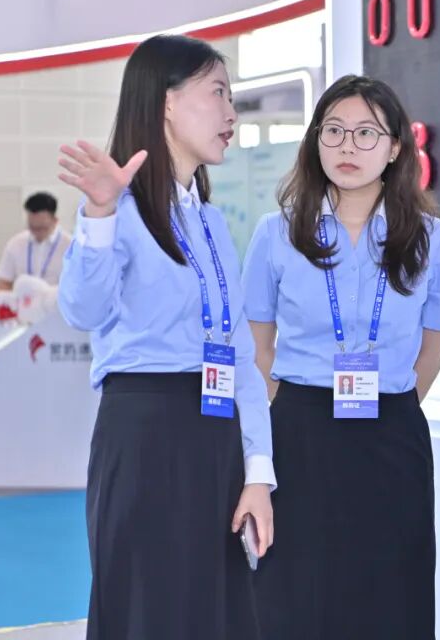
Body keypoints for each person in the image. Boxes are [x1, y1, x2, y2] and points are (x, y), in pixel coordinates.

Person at [56, 34, 274, 640]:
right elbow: (82, 309)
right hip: (147, 435)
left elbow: (240, 357)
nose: (231, 113)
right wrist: (100, 215)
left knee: (217, 614)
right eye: (217, 93)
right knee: (151, 611)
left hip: (217, 434)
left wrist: (258, 472)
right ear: (167, 102)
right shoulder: (116, 209)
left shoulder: (210, 222)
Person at [243, 75, 440, 640]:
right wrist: (291, 406)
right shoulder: (276, 233)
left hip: (392, 433)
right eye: (334, 131)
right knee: (298, 593)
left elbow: (434, 342)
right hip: (300, 432)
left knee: (392, 591)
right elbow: (258, 345)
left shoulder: (433, 238)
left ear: (394, 149)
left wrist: (395, 402)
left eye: (366, 133)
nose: (347, 145)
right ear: (315, 141)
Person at [0, 191, 72, 291]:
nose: (36, 232)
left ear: (55, 221)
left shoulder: (70, 246)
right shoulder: (16, 244)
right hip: (22, 300)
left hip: (56, 300)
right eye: (32, 227)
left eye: (42, 228)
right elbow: (4, 282)